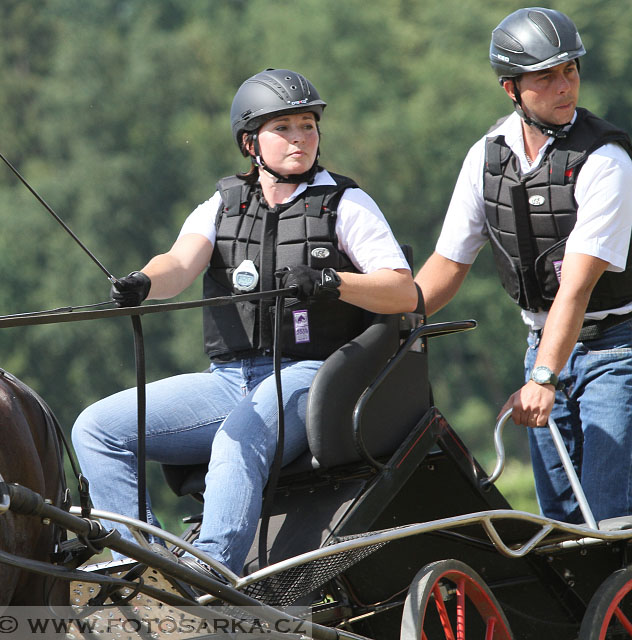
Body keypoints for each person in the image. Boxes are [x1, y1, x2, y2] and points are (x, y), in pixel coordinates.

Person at [71, 68, 416, 577]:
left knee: (237, 439)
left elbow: (402, 290)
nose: (300, 138)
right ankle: (139, 561)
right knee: (97, 428)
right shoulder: (222, 205)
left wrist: (331, 282)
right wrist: (142, 282)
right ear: (250, 142)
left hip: (309, 376)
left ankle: (211, 574)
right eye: (285, 128)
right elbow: (180, 263)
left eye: (307, 125)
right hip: (227, 381)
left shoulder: (346, 203)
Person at [414, 8, 632, 524]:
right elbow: (445, 267)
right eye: (546, 76)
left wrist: (542, 377)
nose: (565, 87)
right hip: (542, 346)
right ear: (510, 88)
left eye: (570, 71)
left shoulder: (607, 161)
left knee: (609, 521)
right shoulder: (485, 158)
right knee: (558, 525)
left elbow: (575, 290)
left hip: (617, 350)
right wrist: (388, 327)